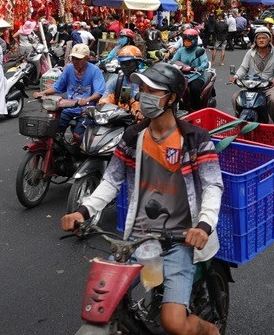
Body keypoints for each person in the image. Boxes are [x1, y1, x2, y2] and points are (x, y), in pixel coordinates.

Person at [60, 62, 223, 335]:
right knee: (105, 305)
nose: (143, 95)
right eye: (143, 89)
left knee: (174, 323)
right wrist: (83, 211)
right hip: (138, 239)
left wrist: (204, 226)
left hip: (180, 241)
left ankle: (210, 331)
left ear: (171, 98)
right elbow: (111, 180)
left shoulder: (195, 138)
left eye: (152, 90)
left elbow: (212, 185)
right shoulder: (133, 136)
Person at [34, 43, 106, 142]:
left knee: (78, 136)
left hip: (86, 111)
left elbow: (99, 92)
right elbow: (57, 86)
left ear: (87, 59)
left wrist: (87, 100)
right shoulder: (68, 69)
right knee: (53, 131)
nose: (75, 62)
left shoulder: (94, 71)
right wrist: (43, 93)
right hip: (68, 108)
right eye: (73, 58)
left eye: (79, 59)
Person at [231, 27, 274, 123]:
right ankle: (237, 121)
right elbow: (243, 68)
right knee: (235, 97)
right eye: (259, 38)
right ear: (255, 40)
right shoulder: (250, 52)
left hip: (270, 86)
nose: (261, 40)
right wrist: (236, 76)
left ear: (269, 39)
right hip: (251, 85)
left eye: (264, 38)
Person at [100, 45, 145, 118]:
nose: (124, 66)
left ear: (137, 62)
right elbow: (105, 99)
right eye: (122, 63)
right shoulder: (118, 80)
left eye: (128, 63)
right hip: (120, 119)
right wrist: (101, 109)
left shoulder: (145, 80)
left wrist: (139, 112)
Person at [170, 29, 210, 111]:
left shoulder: (199, 50)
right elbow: (173, 61)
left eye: (189, 40)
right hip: (182, 76)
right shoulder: (181, 50)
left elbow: (205, 63)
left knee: (194, 89)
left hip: (196, 76)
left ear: (194, 40)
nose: (186, 42)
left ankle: (196, 110)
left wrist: (198, 68)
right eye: (185, 40)